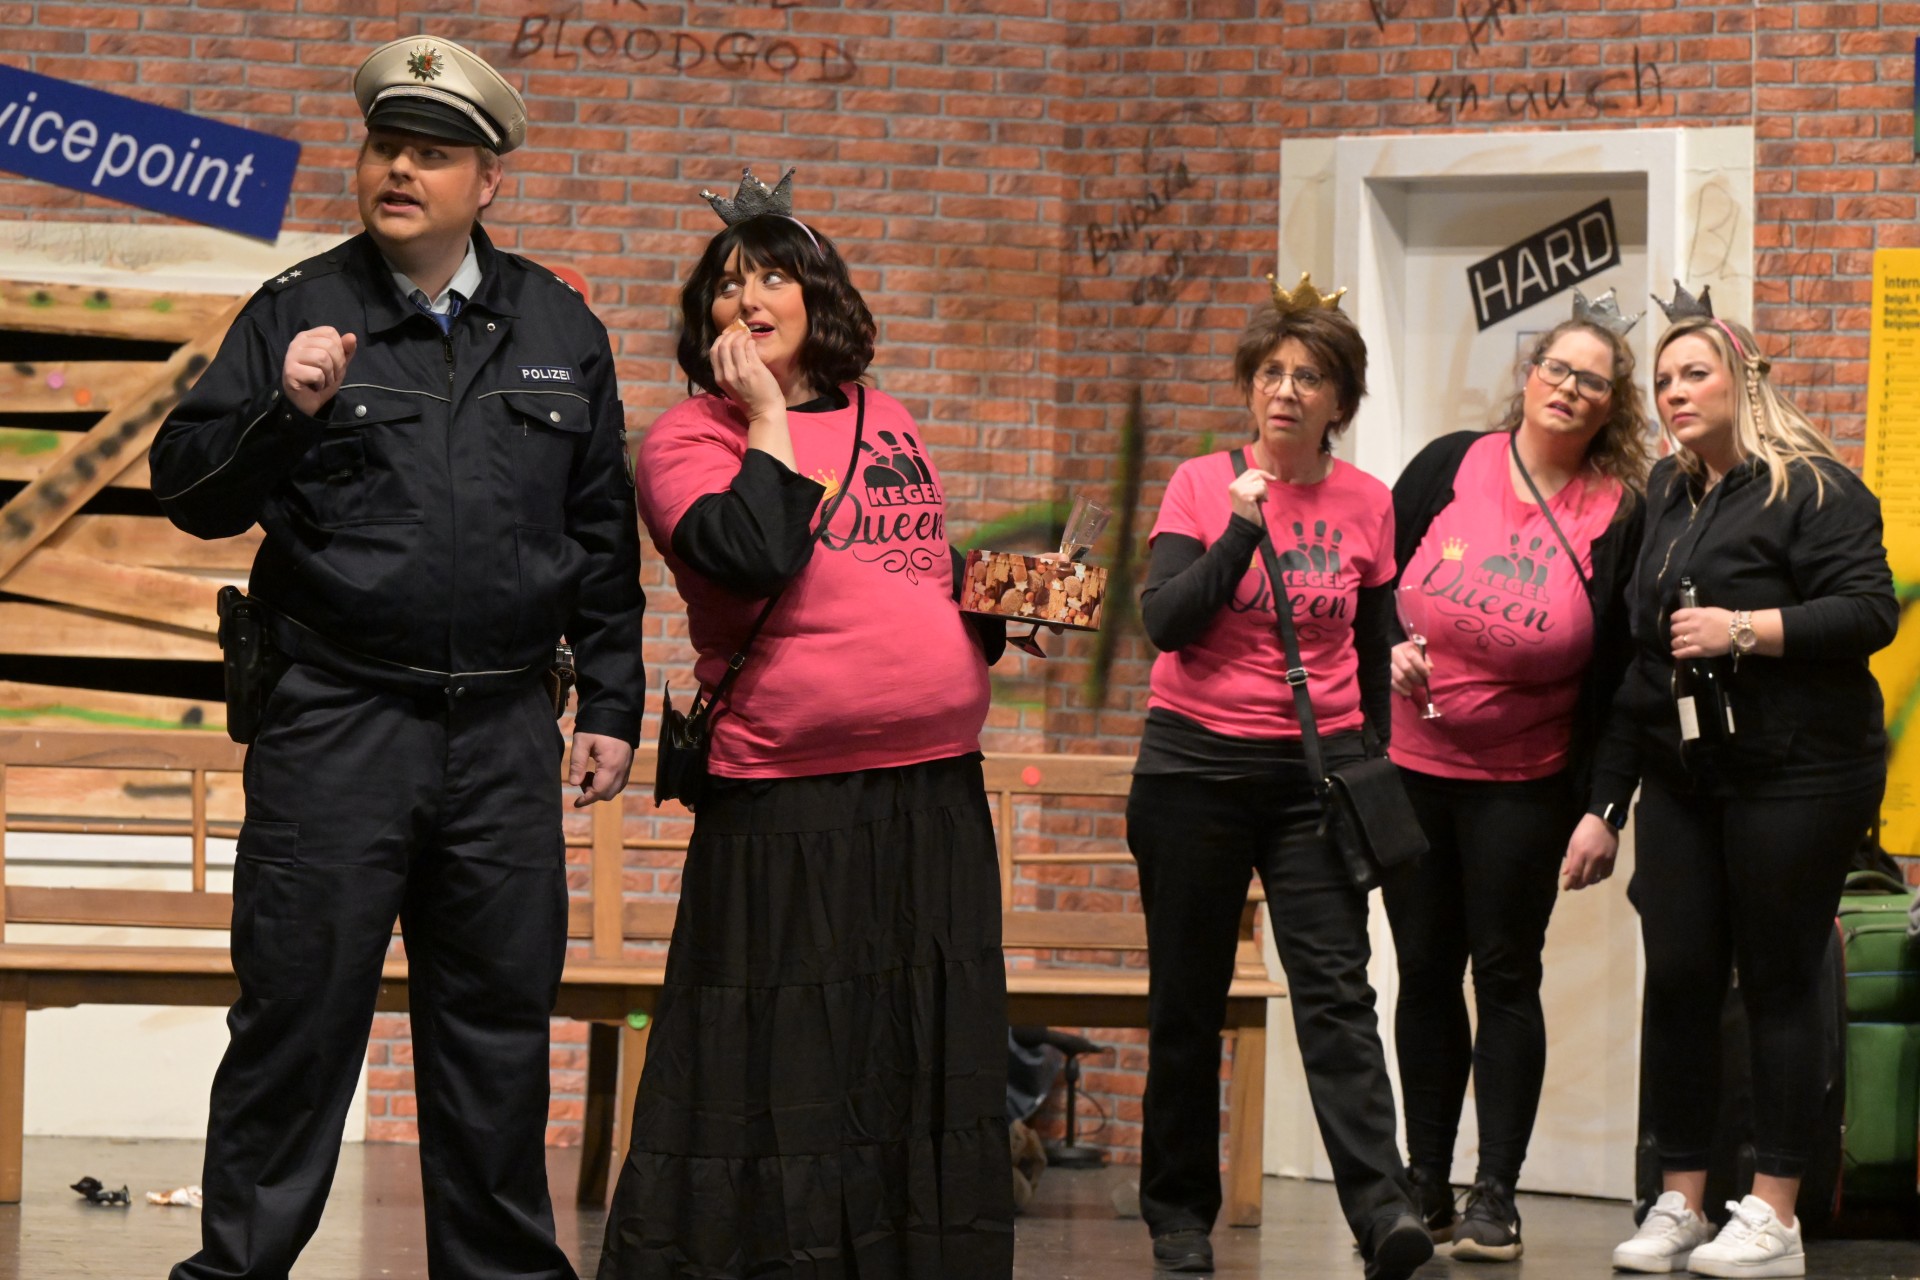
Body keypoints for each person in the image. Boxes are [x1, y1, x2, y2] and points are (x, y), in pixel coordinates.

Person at [148, 36, 642, 1280]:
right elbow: (191, 493)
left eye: (432, 153)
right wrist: (285, 410)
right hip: (337, 723)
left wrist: (613, 699)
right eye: (385, 147)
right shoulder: (298, 309)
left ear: (489, 181)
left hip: (504, 738)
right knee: (297, 1024)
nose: (401, 171)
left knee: (495, 1040)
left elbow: (600, 532)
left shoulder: (559, 325)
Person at [598, 169, 1013, 1279]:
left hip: (932, 787)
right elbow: (749, 553)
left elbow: (910, 565)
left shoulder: (890, 416)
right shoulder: (687, 439)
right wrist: (770, 420)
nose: (748, 299)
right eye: (728, 284)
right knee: (784, 1063)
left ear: (820, 296)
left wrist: (994, 604)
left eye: (772, 277)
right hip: (787, 796)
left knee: (912, 1056)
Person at [1125, 273, 1433, 1280]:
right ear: (1249, 388)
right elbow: (1166, 621)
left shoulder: (1370, 503)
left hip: (1314, 779)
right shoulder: (1202, 483)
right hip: (1194, 771)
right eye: (1271, 373)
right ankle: (1179, 1211)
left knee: (1337, 992)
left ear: (1340, 399)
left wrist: (1369, 757)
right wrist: (1241, 532)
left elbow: (1375, 643)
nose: (1287, 391)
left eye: (1309, 377)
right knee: (1188, 996)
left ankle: (1383, 1209)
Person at [1588, 293, 1896, 1278]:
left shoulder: (1816, 486)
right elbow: (1644, 660)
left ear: (1746, 378)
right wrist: (1604, 806)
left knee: (1776, 977)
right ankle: (1680, 1200)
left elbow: (1869, 612)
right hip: (1688, 774)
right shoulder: (1669, 494)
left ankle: (1775, 1211)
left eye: (1695, 373)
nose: (1674, 392)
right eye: (1662, 380)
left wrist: (1744, 629)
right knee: (1680, 975)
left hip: (1802, 773)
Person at [1380, 292, 1652, 1260]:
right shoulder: (1449, 464)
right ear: (1529, 376)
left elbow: (1628, 677)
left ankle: (1495, 1190)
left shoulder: (1622, 512)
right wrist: (1384, 651)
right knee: (1423, 972)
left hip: (1526, 783)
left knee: (1504, 974)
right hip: (1411, 769)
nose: (1570, 388)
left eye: (1593, 381)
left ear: (1612, 406)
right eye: (1558, 369)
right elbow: (1372, 582)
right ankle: (1425, 1181)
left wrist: (1605, 807)